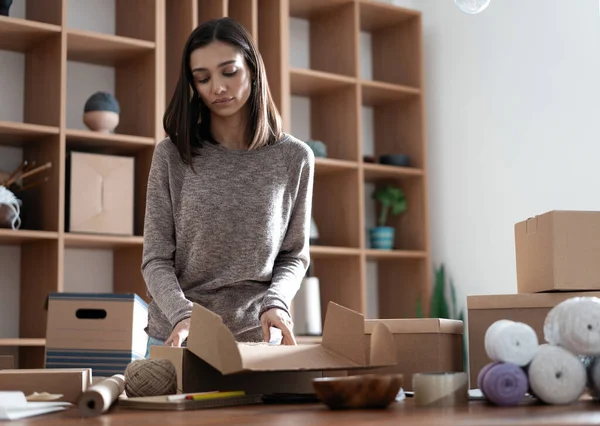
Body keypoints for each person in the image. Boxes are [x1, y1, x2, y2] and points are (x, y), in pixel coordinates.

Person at [141, 17, 314, 358]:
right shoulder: (172, 155)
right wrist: (183, 314)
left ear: (252, 68)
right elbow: (155, 259)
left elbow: (294, 255)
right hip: (179, 335)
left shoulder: (295, 158)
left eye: (228, 72)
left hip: (258, 338)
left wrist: (276, 303)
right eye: (202, 78)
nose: (217, 87)